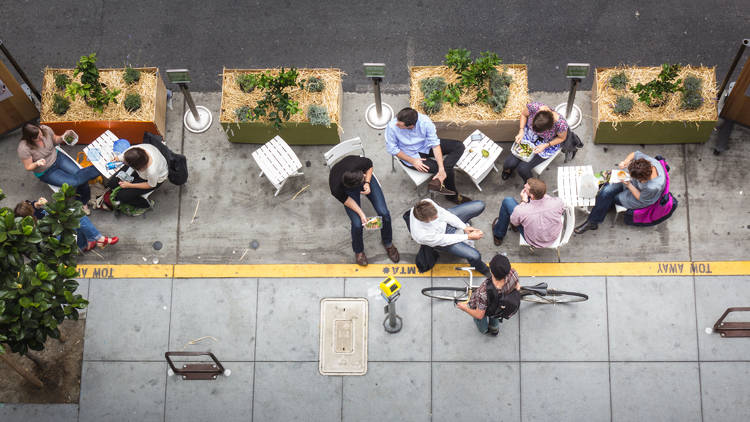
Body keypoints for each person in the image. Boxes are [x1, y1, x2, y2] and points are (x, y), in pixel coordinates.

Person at [386, 107, 471, 204]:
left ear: (411, 126)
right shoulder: (392, 126)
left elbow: (435, 144)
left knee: (459, 146)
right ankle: (452, 196)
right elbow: (393, 149)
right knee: (450, 171)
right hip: (409, 155)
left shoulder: (425, 122)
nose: (396, 123)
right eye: (397, 121)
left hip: (425, 146)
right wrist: (413, 161)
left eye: (400, 125)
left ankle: (438, 179)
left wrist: (441, 168)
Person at [328, 155, 400, 266]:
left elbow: (369, 165)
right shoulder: (336, 188)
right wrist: (361, 214)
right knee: (357, 223)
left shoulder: (357, 164)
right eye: (363, 177)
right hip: (348, 190)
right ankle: (359, 251)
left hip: (364, 181)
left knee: (384, 213)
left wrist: (367, 182)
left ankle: (388, 242)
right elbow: (347, 200)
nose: (365, 176)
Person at [575, 151, 666, 234]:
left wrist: (629, 185)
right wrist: (625, 162)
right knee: (606, 191)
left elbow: (641, 198)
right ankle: (596, 217)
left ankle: (594, 220)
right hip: (630, 183)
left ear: (642, 179)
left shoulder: (653, 187)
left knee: (612, 197)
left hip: (639, 198)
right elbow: (635, 154)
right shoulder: (647, 163)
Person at [17, 123, 100, 213]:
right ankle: (99, 168)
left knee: (80, 175)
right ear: (30, 139)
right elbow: (28, 166)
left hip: (57, 157)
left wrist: (62, 137)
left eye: (41, 133)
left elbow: (55, 140)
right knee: (75, 181)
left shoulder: (45, 129)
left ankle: (82, 202)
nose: (41, 137)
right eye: (37, 137)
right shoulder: (24, 148)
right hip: (46, 171)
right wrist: (37, 163)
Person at [408, 198, 490, 276]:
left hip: (446, 225)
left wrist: (464, 227)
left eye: (436, 213)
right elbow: (445, 239)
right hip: (442, 239)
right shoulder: (422, 235)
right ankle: (482, 269)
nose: (437, 216)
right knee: (474, 256)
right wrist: (468, 236)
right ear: (425, 221)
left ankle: (465, 223)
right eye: (434, 218)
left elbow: (446, 215)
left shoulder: (427, 202)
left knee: (480, 205)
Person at [14, 198, 118, 252]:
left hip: (56, 225)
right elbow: (43, 245)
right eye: (30, 207)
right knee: (75, 221)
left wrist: (37, 205)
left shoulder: (32, 211)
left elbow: (37, 206)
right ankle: (91, 242)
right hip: (53, 239)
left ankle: (92, 241)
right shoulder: (30, 228)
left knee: (76, 216)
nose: (31, 204)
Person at [456, 254, 521, 336]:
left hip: (487, 309)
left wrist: (464, 308)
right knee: (495, 317)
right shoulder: (513, 273)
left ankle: (484, 330)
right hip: (499, 310)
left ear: (491, 272)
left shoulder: (483, 292)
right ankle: (494, 330)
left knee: (481, 321)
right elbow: (518, 287)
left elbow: (479, 315)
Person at [502, 102, 568, 182]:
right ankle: (508, 170)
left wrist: (546, 145)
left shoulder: (560, 124)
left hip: (546, 143)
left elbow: (562, 138)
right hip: (528, 136)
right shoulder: (534, 107)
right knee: (509, 163)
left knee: (523, 169)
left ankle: (530, 186)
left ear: (549, 127)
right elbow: (523, 114)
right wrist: (521, 130)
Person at [491, 178, 564, 247]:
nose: (524, 186)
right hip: (553, 236)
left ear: (532, 196)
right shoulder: (558, 202)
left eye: (526, 188)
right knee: (520, 215)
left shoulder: (522, 211)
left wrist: (523, 201)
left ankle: (498, 235)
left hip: (534, 241)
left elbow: (514, 222)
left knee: (507, 201)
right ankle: (512, 229)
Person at [103, 143, 168, 210]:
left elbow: (151, 185)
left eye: (127, 163)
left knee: (122, 196)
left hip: (155, 180)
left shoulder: (152, 171)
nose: (124, 163)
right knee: (112, 183)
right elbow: (122, 157)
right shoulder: (134, 151)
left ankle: (146, 204)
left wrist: (130, 185)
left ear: (137, 167)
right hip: (141, 171)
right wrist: (117, 159)